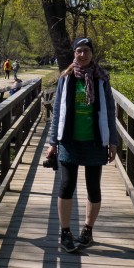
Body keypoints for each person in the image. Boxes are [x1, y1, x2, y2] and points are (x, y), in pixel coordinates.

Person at [42, 37, 118, 253]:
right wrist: (52, 142)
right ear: (74, 54)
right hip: (69, 140)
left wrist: (113, 141)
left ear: (92, 53)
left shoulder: (101, 78)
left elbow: (110, 111)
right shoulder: (66, 78)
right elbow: (58, 111)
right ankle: (65, 232)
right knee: (66, 185)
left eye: (86, 51)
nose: (82, 55)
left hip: (95, 141)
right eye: (79, 51)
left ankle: (87, 230)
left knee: (93, 188)